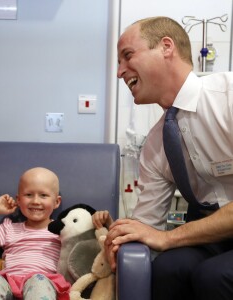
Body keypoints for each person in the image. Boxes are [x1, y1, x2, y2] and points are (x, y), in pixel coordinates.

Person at [93, 16, 233, 300]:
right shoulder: (157, 144)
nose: (120, 72)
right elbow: (146, 225)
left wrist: (169, 238)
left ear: (166, 47)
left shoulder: (228, 97)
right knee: (168, 269)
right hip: (212, 234)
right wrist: (120, 239)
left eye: (128, 56)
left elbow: (162, 236)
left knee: (213, 277)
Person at [0, 167, 71, 300]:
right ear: (19, 199)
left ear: (56, 202)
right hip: (7, 283)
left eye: (43, 195)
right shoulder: (9, 229)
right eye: (28, 195)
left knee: (38, 280)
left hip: (42, 283)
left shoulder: (63, 232)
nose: (35, 201)